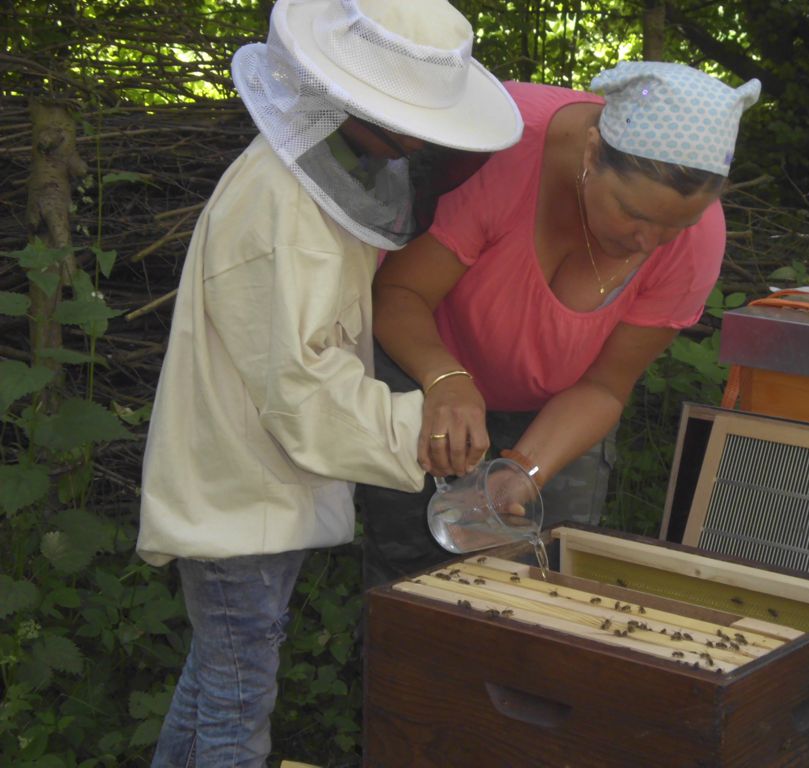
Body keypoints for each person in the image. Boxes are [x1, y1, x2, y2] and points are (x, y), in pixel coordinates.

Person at [135, 0, 522, 764]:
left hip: (257, 488)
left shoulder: (311, 185)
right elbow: (301, 385)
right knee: (239, 698)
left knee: (218, 677)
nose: (417, 143)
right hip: (235, 497)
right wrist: (422, 431)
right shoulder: (279, 207)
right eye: (407, 125)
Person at [358, 61, 760, 587]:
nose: (648, 242)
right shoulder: (503, 149)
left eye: (675, 226)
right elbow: (398, 293)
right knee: (411, 568)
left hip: (560, 412)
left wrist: (522, 471)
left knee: (541, 574)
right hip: (422, 366)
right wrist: (444, 378)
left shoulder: (697, 242)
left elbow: (604, 385)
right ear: (592, 152)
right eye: (632, 212)